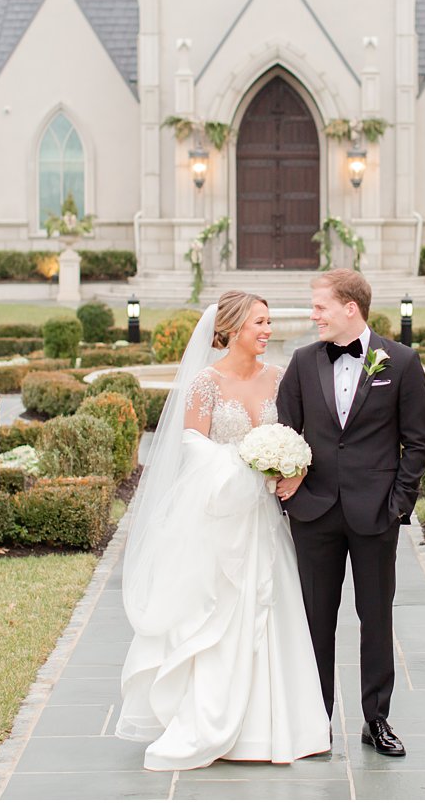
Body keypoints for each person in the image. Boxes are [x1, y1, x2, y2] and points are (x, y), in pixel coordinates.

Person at [117, 292, 331, 771]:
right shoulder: (204, 385)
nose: (268, 330)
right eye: (260, 322)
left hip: (265, 520)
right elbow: (194, 449)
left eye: (269, 321)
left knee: (271, 607)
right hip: (220, 518)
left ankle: (280, 727)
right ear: (233, 328)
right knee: (218, 615)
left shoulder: (281, 379)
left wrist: (289, 464)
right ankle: (212, 723)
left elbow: (300, 437)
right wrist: (247, 466)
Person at [275, 269, 425, 758]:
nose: (312, 315)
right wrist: (292, 491)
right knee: (315, 620)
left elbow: (418, 441)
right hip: (314, 514)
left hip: (375, 515)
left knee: (376, 618)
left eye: (319, 306)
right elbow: (285, 432)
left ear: (350, 308)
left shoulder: (401, 362)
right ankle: (315, 719)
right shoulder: (301, 363)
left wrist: (398, 505)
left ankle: (376, 719)